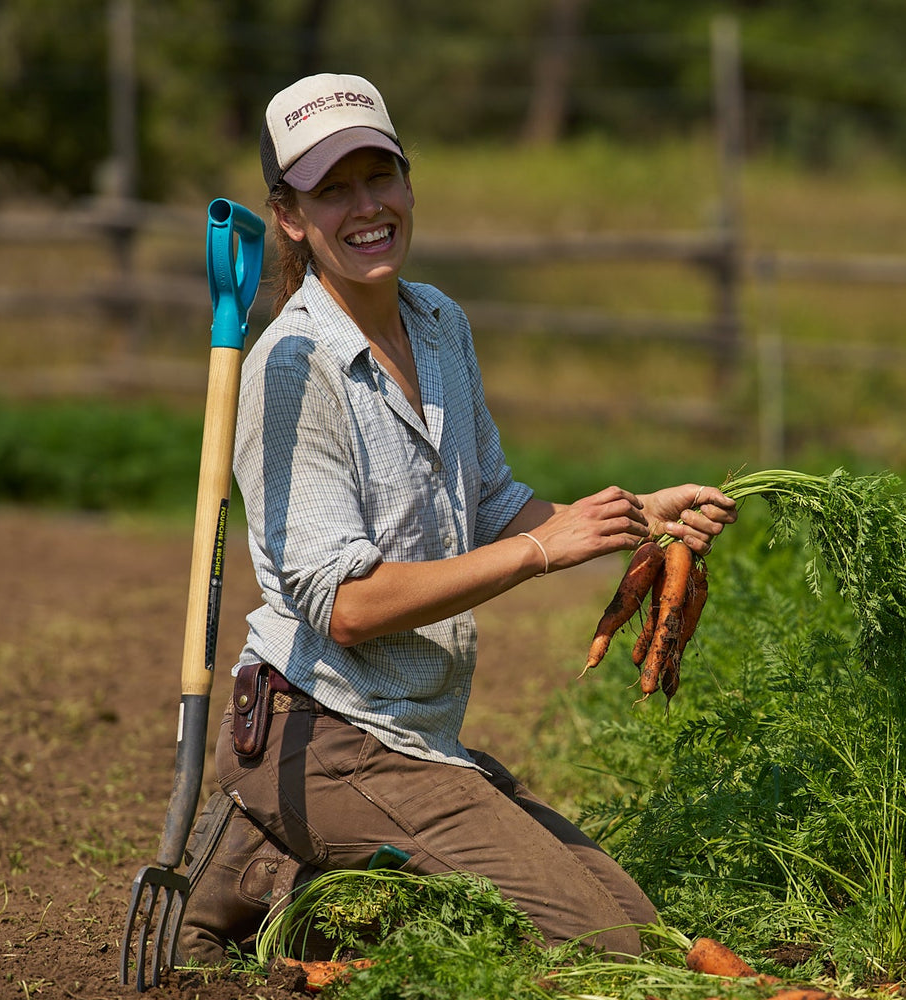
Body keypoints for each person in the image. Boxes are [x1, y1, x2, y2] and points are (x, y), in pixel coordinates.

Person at [176, 72, 736, 966]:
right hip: (319, 732)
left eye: (380, 176)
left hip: (416, 738)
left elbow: (493, 506)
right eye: (332, 190)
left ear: (408, 180)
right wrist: (538, 552)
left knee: (642, 926)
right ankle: (268, 880)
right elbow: (347, 607)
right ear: (289, 216)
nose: (367, 207)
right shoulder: (291, 370)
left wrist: (636, 518)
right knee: (608, 948)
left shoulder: (438, 322)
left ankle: (302, 868)